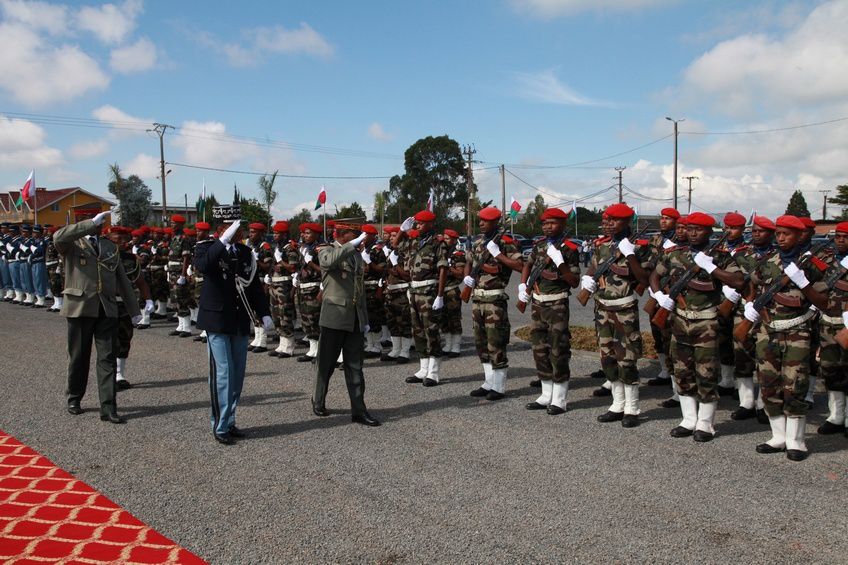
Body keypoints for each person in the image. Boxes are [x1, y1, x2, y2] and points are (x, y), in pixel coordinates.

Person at [651, 212, 743, 442]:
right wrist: (661, 296)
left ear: (710, 232)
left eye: (698, 229)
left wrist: (712, 269)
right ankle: (688, 419)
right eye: (689, 228)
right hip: (680, 320)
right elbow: (654, 275)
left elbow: (739, 281)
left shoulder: (720, 257)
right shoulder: (675, 255)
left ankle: (705, 424)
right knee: (682, 371)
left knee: (707, 372)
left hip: (707, 323)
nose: (692, 233)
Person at [743, 215, 828, 461]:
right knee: (769, 384)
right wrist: (751, 304)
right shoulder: (768, 260)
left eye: (786, 234)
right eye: (778, 233)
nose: (780, 238)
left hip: (796, 332)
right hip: (767, 330)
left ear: (799, 235)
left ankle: (797, 441)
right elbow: (752, 284)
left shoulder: (812, 265)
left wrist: (804, 284)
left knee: (795, 384)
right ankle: (778, 437)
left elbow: (824, 301)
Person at [54, 212, 141, 423]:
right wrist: (87, 225)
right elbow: (57, 237)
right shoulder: (73, 243)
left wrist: (134, 309)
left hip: (106, 308)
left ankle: (109, 407)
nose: (100, 225)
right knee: (78, 356)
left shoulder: (110, 246)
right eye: (97, 221)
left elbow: (121, 277)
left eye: (101, 222)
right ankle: (74, 398)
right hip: (80, 308)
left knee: (107, 358)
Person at [195, 220, 273, 445]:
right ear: (222, 229)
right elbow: (205, 266)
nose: (240, 232)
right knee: (223, 372)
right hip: (217, 320)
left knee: (237, 374)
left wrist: (264, 312)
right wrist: (222, 241)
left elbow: (253, 285)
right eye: (234, 228)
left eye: (239, 228)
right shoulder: (205, 247)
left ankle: (229, 420)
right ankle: (219, 425)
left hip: (239, 318)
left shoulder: (245, 252)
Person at [580, 203, 655, 428]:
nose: (610, 224)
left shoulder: (641, 247)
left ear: (627, 222)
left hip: (624, 310)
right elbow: (594, 267)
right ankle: (617, 404)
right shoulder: (602, 245)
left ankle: (632, 408)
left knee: (627, 359)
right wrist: (588, 279)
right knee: (608, 358)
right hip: (602, 308)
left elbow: (643, 279)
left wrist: (630, 255)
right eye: (607, 220)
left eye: (615, 220)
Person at [311, 223, 380, 426]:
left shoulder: (356, 256)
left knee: (355, 367)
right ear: (341, 234)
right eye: (354, 233)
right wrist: (353, 244)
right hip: (334, 317)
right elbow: (328, 262)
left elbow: (360, 289)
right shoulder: (326, 250)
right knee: (326, 363)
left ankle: (359, 410)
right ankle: (319, 400)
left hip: (355, 318)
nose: (358, 236)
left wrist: (365, 319)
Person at [519, 207, 581, 414]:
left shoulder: (570, 248)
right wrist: (523, 285)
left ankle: (560, 399)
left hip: (557, 305)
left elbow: (573, 281)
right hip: (537, 303)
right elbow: (527, 266)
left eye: (552, 223)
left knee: (558, 350)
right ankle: (546, 395)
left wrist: (560, 261)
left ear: (563, 225)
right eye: (545, 223)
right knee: (539, 349)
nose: (548, 227)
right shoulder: (539, 246)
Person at [463, 207, 524, 400]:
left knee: (496, 342)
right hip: (477, 298)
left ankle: (499, 386)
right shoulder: (478, 241)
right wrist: (467, 279)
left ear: (495, 223)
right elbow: (469, 261)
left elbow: (520, 266)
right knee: (481, 343)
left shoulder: (505, 243)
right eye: (479, 220)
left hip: (494, 299)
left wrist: (498, 255)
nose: (481, 223)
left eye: (485, 221)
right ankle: (488, 381)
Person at [723, 215, 776, 421]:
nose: (756, 234)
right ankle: (746, 402)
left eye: (761, 231)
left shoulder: (778, 257)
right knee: (742, 356)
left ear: (770, 234)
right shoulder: (741, 255)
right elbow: (731, 276)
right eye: (754, 231)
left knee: (765, 360)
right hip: (742, 310)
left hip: (765, 313)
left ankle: (764, 403)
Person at [404, 210, 449, 386]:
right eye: (417, 223)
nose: (417, 226)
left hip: (429, 293)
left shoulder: (438, 243)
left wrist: (440, 295)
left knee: (431, 331)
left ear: (430, 224)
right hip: (415, 292)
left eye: (421, 223)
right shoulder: (416, 241)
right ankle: (423, 369)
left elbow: (443, 269)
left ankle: (434, 372)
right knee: (418, 331)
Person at [108, 226, 154, 390]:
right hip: (105, 303)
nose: (120, 243)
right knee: (106, 340)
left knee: (124, 337)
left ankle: (119, 374)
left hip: (125, 304)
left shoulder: (130, 258)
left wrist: (148, 299)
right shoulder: (100, 257)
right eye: (116, 239)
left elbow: (140, 280)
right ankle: (107, 374)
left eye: (122, 239)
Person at [816, 221, 848, 437]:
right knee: (829, 369)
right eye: (838, 236)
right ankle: (836, 416)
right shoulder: (826, 259)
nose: (840, 240)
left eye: (845, 236)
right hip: (828, 322)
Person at [381, 227, 413, 363]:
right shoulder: (391, 252)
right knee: (392, 322)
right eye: (392, 236)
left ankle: (405, 351)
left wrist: (394, 264)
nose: (393, 238)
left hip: (402, 292)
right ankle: (395, 349)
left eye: (395, 235)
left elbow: (407, 276)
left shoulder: (407, 253)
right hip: (390, 291)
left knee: (404, 322)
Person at [267, 220, 299, 357]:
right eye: (274, 233)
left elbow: (293, 267)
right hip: (275, 285)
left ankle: (289, 346)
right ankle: (282, 344)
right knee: (276, 316)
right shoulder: (278, 248)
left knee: (285, 315)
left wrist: (281, 262)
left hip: (284, 285)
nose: (274, 235)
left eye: (277, 233)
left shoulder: (290, 248)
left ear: (284, 234)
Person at [295, 223, 324, 363]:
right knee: (306, 320)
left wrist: (311, 263)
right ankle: (312, 350)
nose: (305, 236)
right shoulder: (305, 248)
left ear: (317, 234)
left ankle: (321, 351)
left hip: (315, 288)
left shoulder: (321, 249)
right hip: (304, 287)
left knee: (316, 320)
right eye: (304, 233)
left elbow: (325, 271)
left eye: (308, 233)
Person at [441, 229, 465, 357]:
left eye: (448, 238)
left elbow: (460, 273)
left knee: (454, 319)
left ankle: (456, 346)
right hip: (440, 291)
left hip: (452, 290)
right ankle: (447, 344)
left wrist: (448, 267)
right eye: (444, 238)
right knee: (444, 319)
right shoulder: (441, 253)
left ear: (454, 240)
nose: (445, 240)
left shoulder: (458, 254)